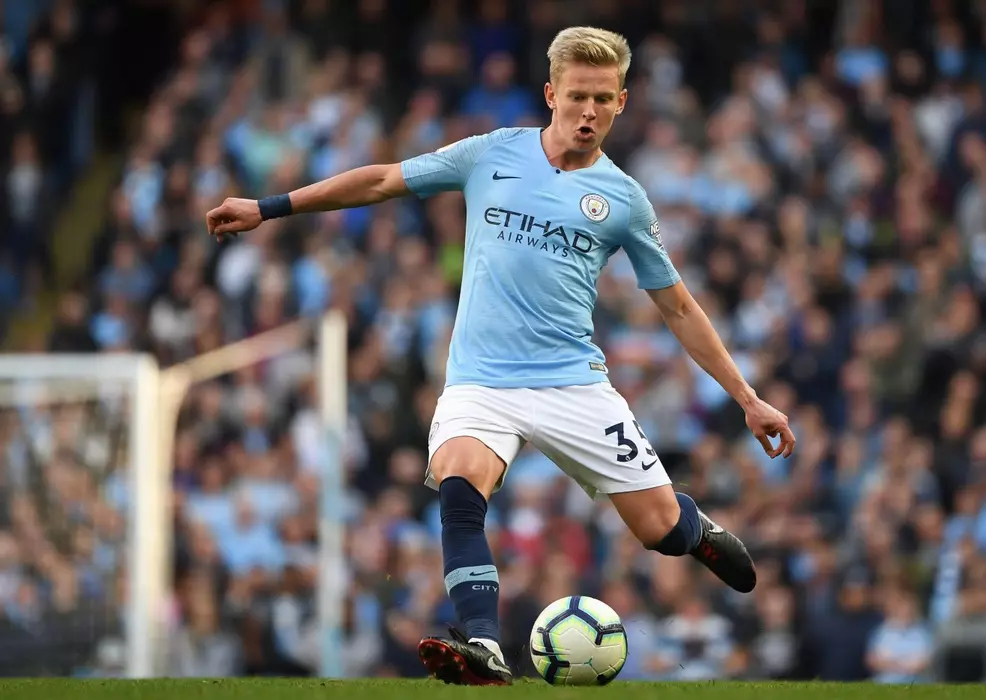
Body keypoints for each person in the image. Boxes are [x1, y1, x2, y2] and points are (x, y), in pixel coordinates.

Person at [206, 26, 795, 686]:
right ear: (551, 94)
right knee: (459, 483)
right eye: (578, 96)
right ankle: (481, 643)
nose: (589, 111)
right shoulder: (491, 152)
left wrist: (748, 400)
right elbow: (382, 180)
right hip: (480, 382)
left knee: (658, 531)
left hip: (573, 385)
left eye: (603, 99)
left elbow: (679, 307)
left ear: (622, 103)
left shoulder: (624, 199)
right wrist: (268, 207)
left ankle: (695, 530)